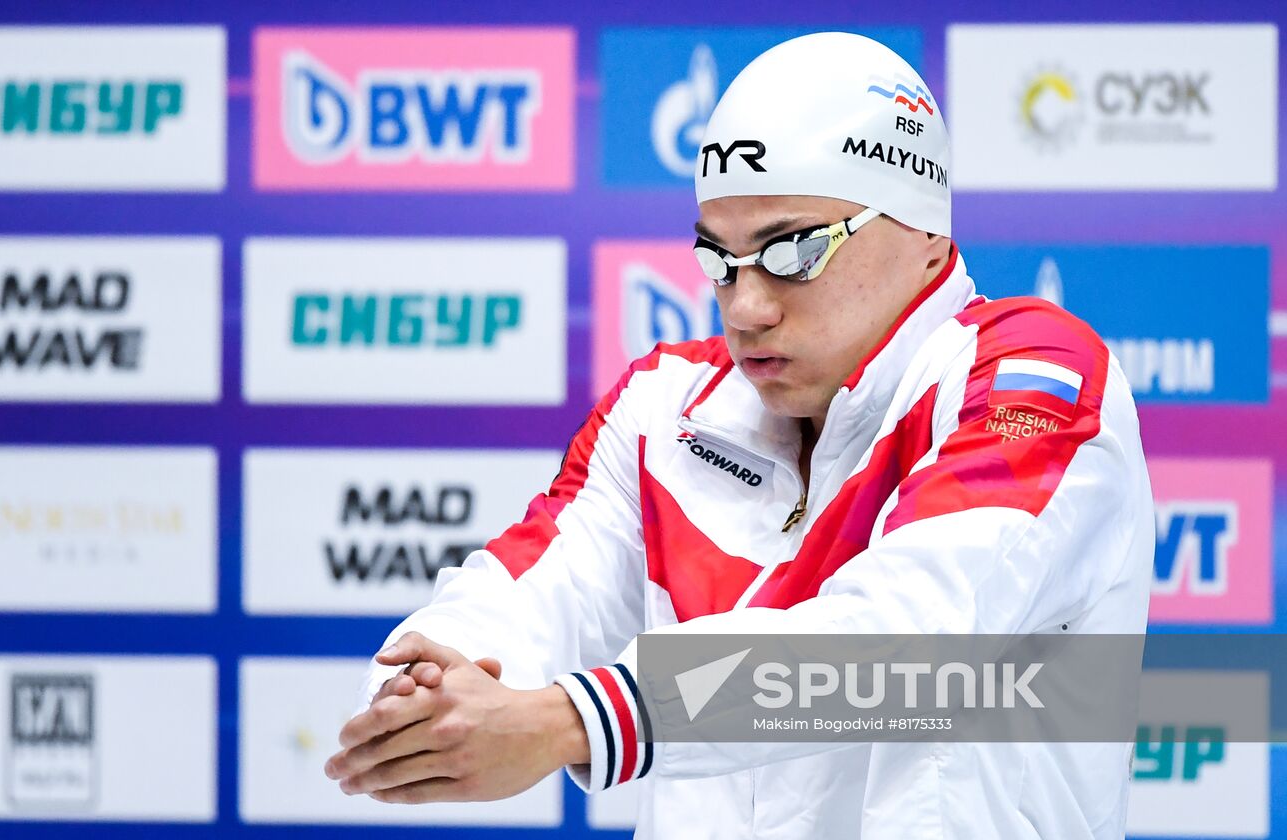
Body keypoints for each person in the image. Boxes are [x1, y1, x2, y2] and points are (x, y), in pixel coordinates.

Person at [324, 31, 1152, 839]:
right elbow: (529, 588)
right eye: (718, 258)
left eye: (792, 252)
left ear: (924, 228)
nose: (745, 306)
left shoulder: (1032, 373)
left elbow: (903, 642)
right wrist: (425, 688)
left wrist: (574, 720)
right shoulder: (667, 406)